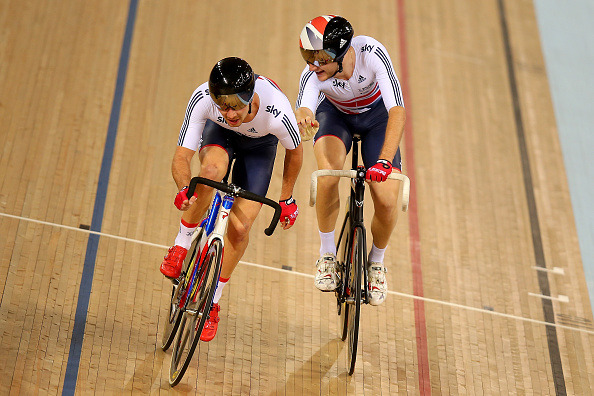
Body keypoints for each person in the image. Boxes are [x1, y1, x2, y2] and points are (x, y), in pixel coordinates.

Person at [160, 57, 303, 340]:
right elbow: (182, 156)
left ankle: (212, 301)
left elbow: (295, 152)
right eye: (222, 104)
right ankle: (181, 244)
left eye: (236, 105)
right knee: (211, 171)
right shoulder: (203, 98)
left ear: (250, 97)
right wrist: (183, 188)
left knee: (239, 228)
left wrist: (286, 198)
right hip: (220, 137)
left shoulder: (277, 113)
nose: (230, 112)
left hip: (260, 147)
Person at [295, 15, 405, 306]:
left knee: (386, 199)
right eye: (308, 57)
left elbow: (397, 112)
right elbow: (304, 107)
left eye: (319, 59)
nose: (312, 66)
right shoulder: (313, 76)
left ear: (341, 54)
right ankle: (327, 254)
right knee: (329, 175)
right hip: (335, 116)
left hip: (377, 119)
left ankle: (376, 262)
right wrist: (304, 119)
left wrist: (383, 161)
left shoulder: (372, 55)